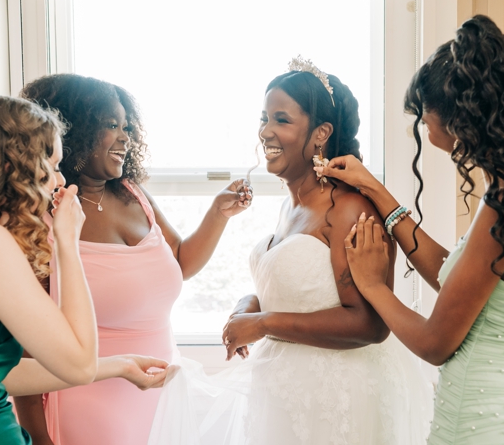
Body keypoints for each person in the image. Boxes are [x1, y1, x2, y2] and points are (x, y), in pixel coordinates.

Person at [322, 15, 504, 444]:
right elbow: (462, 280)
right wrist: (376, 190)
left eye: (425, 119)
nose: (425, 131)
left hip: (485, 428)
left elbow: (435, 343)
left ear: (461, 118)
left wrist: (373, 286)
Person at [147, 57, 432, 445]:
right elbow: (293, 291)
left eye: (281, 119)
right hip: (284, 396)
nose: (265, 131)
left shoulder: (349, 210)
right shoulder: (290, 207)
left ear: (321, 133)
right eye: (263, 118)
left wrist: (263, 323)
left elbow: (369, 324)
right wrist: (248, 306)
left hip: (337, 402)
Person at [0, 96, 169, 445]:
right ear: (16, 168)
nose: (59, 180)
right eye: (53, 166)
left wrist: (120, 365)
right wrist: (67, 244)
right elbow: (80, 363)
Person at [14, 74, 252, 445]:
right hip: (89, 407)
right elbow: (25, 350)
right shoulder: (45, 219)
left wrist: (217, 214)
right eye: (111, 125)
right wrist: (40, 440)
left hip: (161, 398)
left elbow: (180, 263)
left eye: (127, 126)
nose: (126, 137)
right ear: (72, 131)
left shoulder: (133, 194)